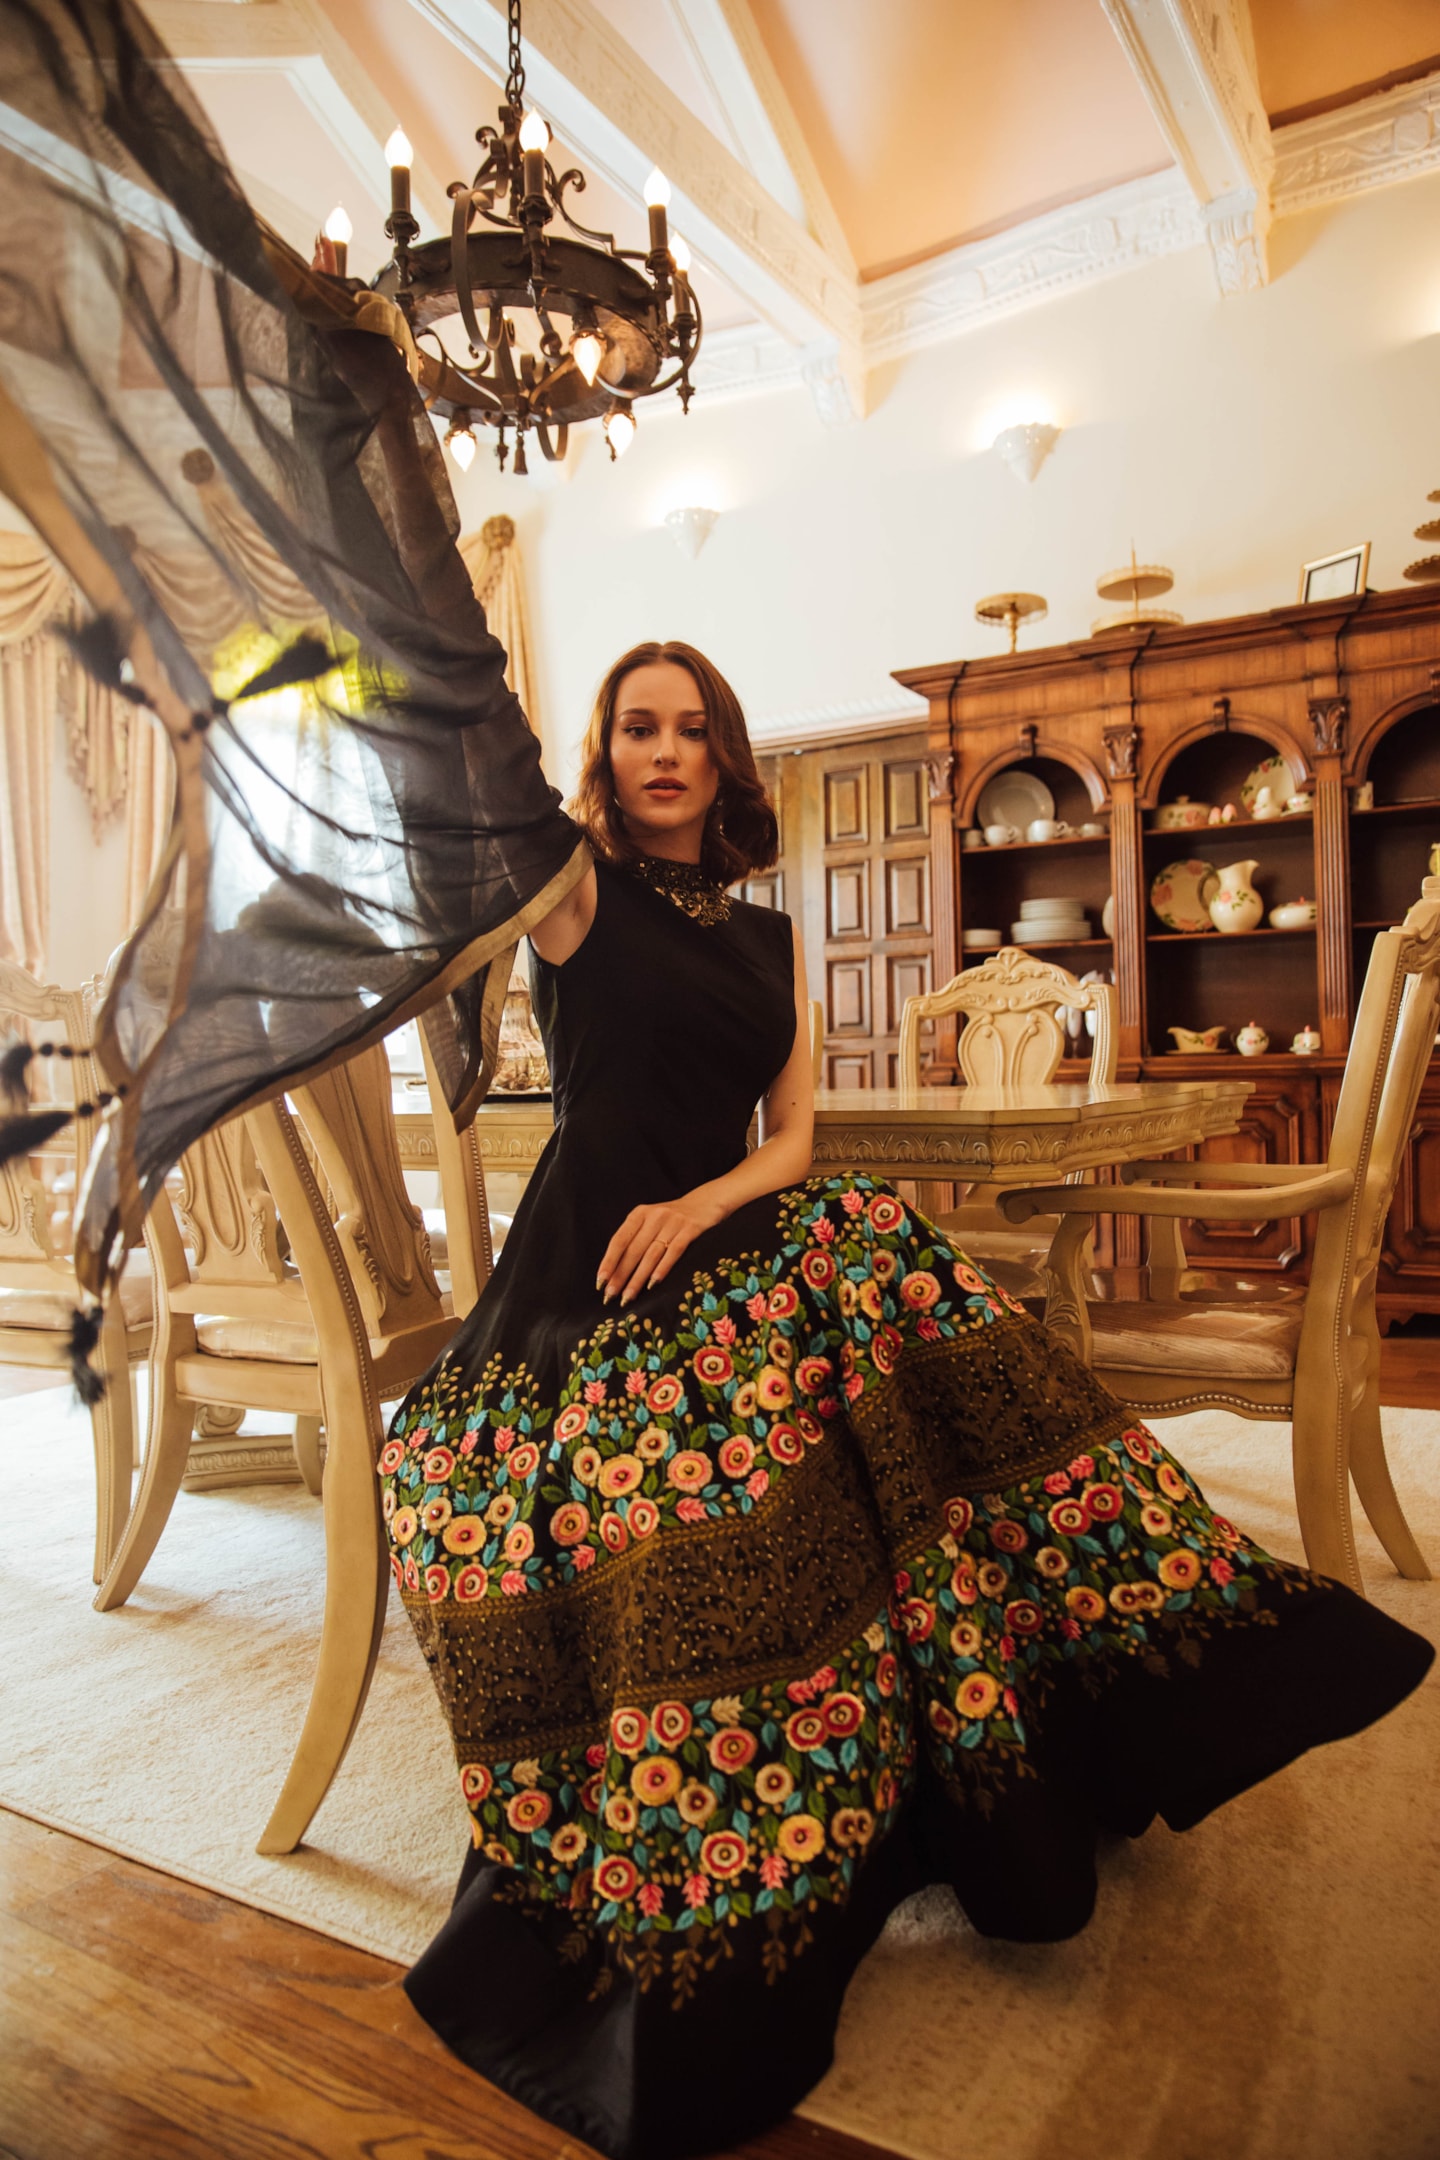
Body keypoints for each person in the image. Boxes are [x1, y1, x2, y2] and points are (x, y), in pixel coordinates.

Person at [389, 639, 1432, 2160]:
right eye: (636, 729)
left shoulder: (769, 934)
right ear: (603, 757)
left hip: (724, 1229)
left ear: (728, 756)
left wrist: (706, 1203)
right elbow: (474, 777)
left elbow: (795, 1139)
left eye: (691, 729)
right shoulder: (572, 897)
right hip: (587, 1284)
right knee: (747, 1465)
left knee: (900, 1298)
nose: (664, 752)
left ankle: (1114, 1688)